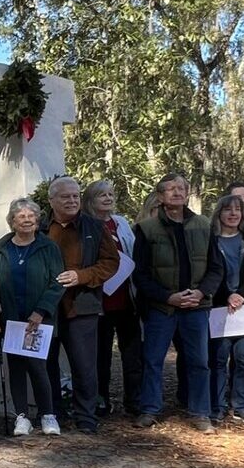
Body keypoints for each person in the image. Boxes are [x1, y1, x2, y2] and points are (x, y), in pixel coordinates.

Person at [132, 172, 216, 433]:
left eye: (181, 188)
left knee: (199, 361)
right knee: (153, 360)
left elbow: (216, 268)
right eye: (170, 189)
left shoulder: (203, 225)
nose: (177, 192)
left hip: (195, 308)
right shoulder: (146, 229)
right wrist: (167, 296)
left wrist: (201, 293)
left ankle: (200, 412)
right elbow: (140, 274)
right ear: (160, 197)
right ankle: (150, 409)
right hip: (162, 308)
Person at [43, 176, 119, 434]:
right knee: (47, 362)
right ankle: (52, 412)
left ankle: (85, 416)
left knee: (85, 364)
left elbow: (111, 262)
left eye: (76, 196)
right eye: (66, 197)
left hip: (82, 305)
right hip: (46, 309)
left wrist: (82, 276)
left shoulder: (95, 227)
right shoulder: (40, 226)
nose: (72, 200)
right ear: (51, 200)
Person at [0, 199, 65, 436]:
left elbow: (57, 281)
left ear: (37, 220)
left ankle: (48, 415)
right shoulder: (0, 249)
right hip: (11, 318)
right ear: (12, 221)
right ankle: (22, 417)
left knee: (38, 366)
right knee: (16, 366)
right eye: (21, 216)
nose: (27, 220)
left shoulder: (48, 247)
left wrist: (41, 310)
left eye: (31, 216)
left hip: (38, 319)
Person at [205, 193, 244, 425]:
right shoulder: (210, 241)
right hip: (219, 306)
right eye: (227, 209)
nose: (232, 214)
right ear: (218, 213)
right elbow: (208, 274)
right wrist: (226, 295)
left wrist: (241, 295)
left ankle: (243, 406)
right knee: (218, 358)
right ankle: (217, 406)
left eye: (237, 210)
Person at [83, 179, 143, 417]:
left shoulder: (121, 223)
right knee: (101, 356)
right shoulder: (86, 225)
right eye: (101, 195)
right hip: (100, 301)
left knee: (133, 355)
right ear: (91, 200)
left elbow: (133, 251)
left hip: (126, 298)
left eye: (110, 194)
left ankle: (135, 401)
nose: (107, 199)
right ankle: (101, 401)